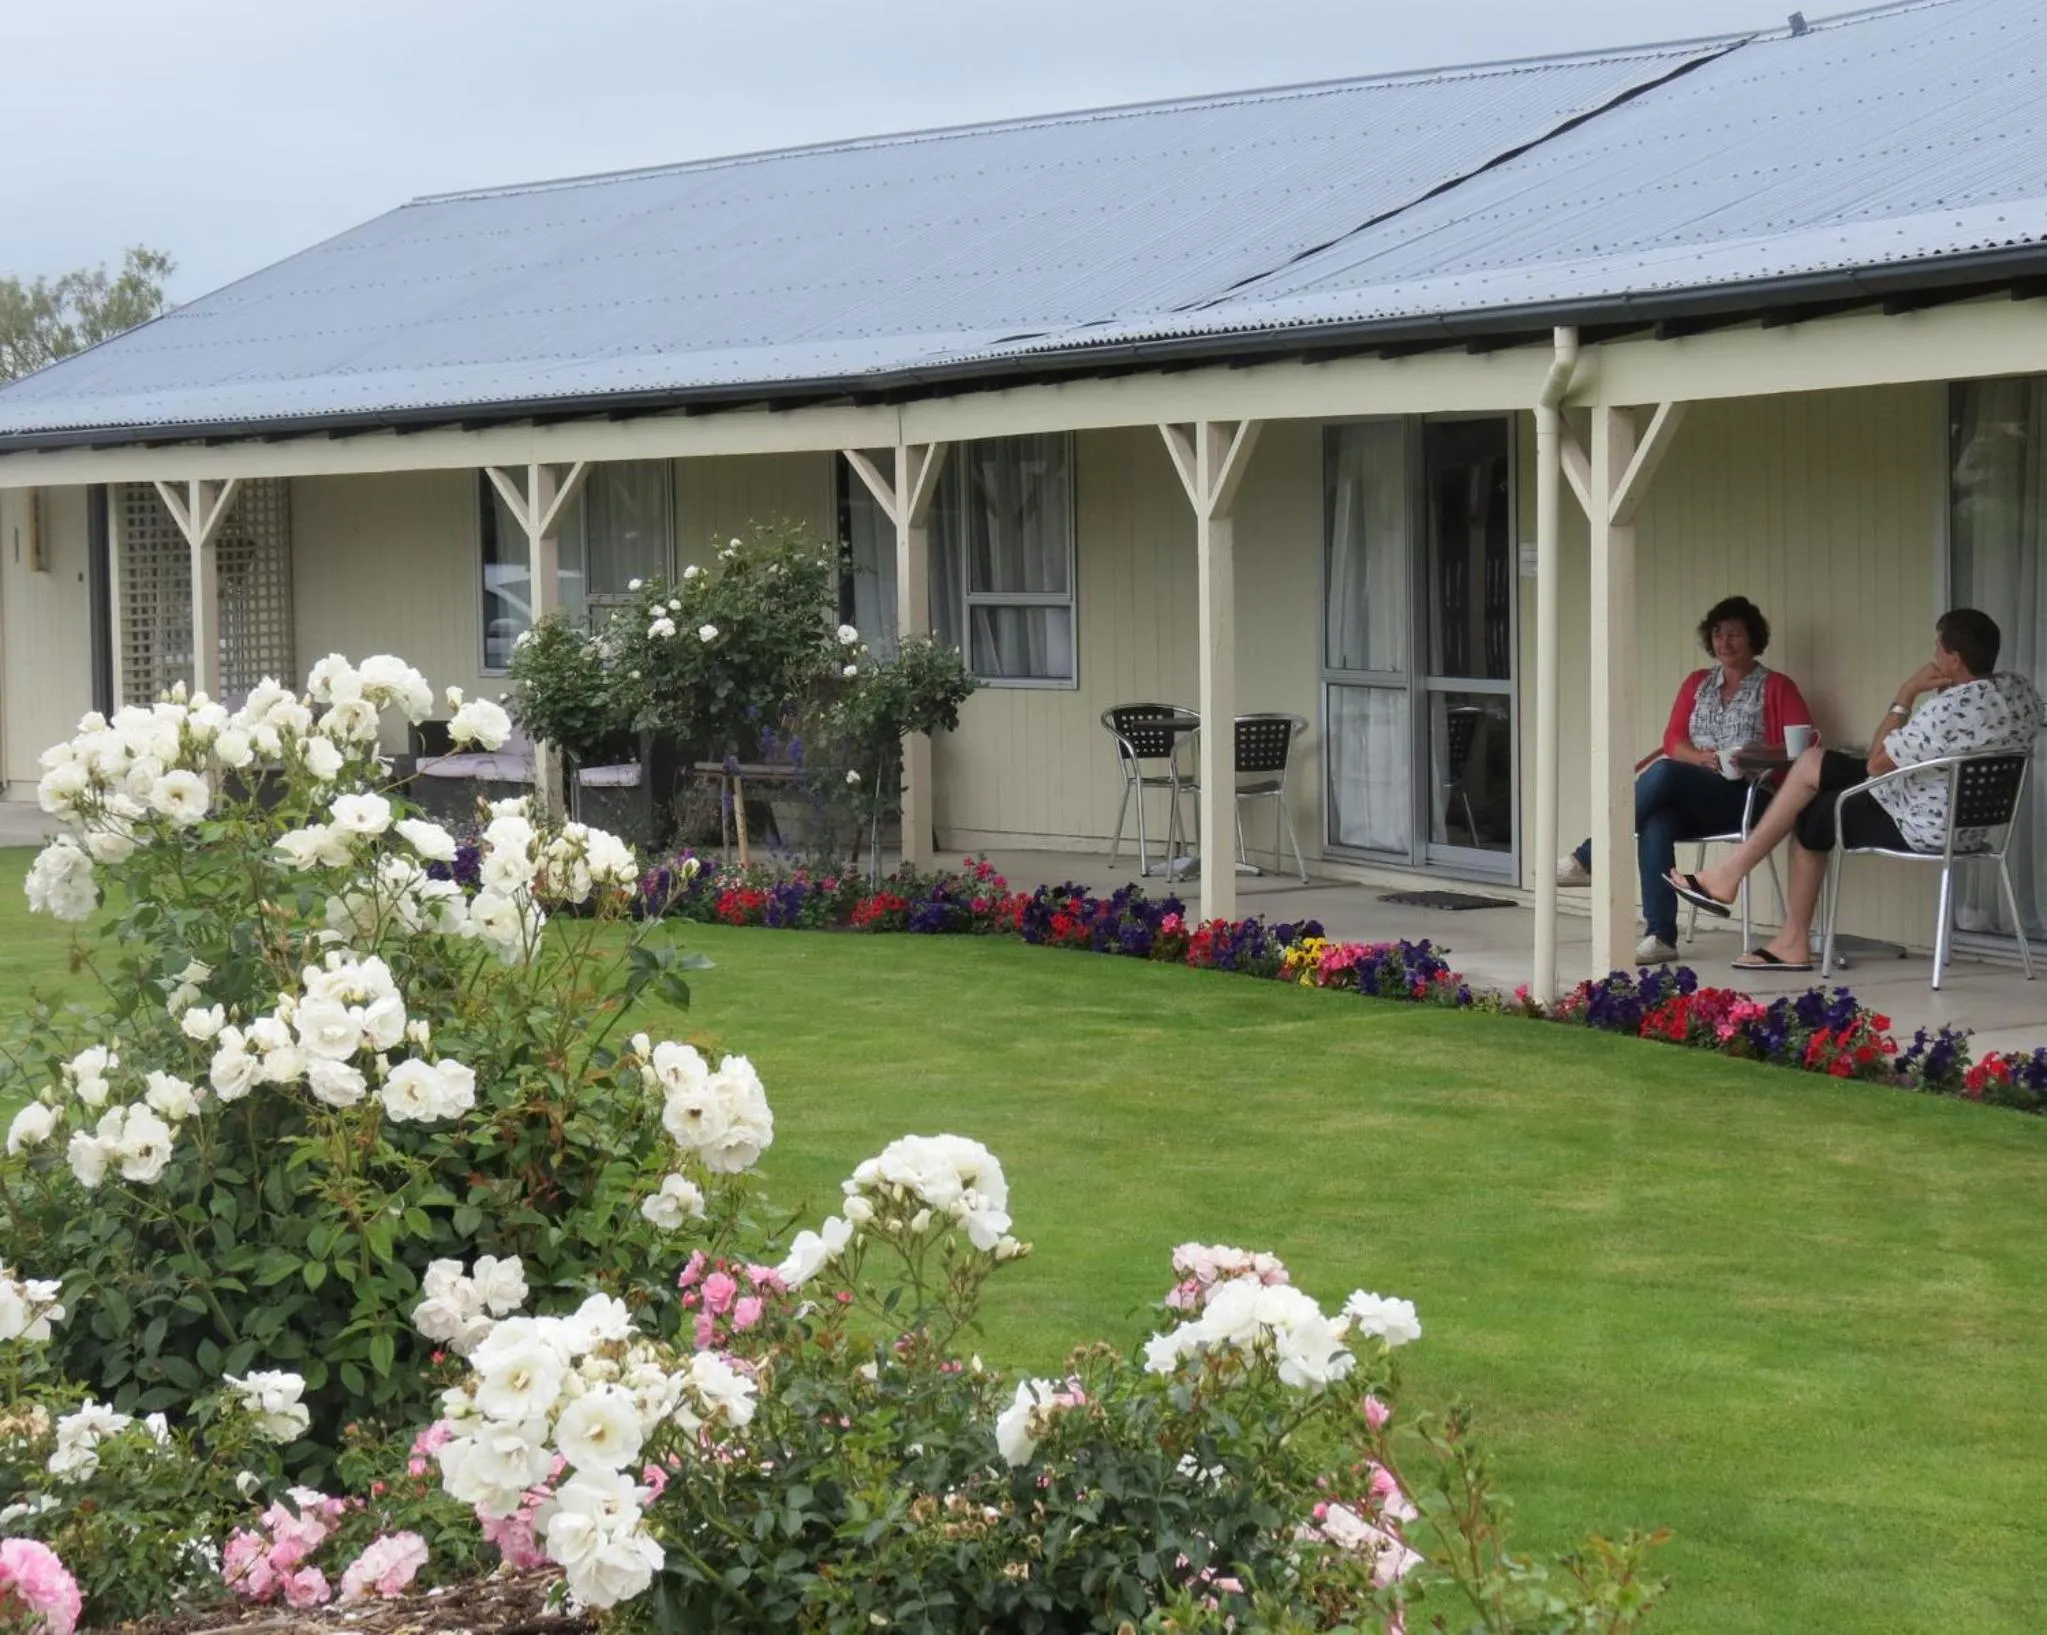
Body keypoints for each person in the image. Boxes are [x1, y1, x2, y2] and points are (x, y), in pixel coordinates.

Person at [1668, 608, 2044, 970]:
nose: (1934, 656)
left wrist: (1907, 693)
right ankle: (1730, 881)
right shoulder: (2018, 692)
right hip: (1974, 825)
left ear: (1954, 660)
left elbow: (1875, 764)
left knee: (1811, 811)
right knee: (1812, 763)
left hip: (1922, 824)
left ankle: (1782, 933)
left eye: (1937, 649)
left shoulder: (1947, 710)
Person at [1558, 595, 1815, 964]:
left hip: (1749, 795)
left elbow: (1802, 747)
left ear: (1753, 638)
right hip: (1698, 789)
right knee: (1656, 819)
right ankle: (1661, 936)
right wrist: (1705, 759)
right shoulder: (1698, 683)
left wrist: (1752, 755)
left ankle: (1589, 856)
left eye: (1735, 635)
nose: (1724, 643)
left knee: (1663, 773)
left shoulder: (1776, 686)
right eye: (1717, 634)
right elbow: (1673, 741)